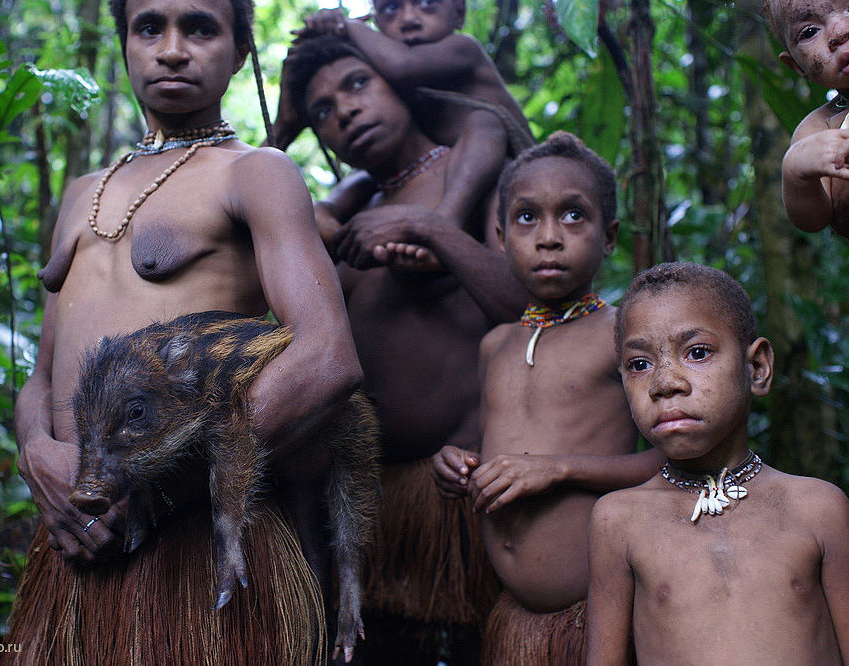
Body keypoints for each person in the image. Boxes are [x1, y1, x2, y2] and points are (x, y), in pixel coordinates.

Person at [0, 0, 361, 663]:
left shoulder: (255, 174)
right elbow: (43, 375)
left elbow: (327, 356)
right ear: (124, 44)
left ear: (238, 51)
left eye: (199, 28)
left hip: (195, 546)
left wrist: (165, 483)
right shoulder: (81, 192)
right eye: (149, 28)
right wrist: (37, 453)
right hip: (78, 547)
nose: (172, 48)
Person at [281, 34, 528, 661]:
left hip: (464, 498)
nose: (345, 111)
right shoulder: (351, 207)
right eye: (322, 111)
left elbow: (535, 312)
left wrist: (434, 230)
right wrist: (281, 130)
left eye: (358, 84)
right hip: (373, 513)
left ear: (399, 80)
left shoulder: (470, 172)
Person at [420, 132, 662, 663]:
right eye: (528, 218)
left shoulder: (622, 333)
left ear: (610, 236)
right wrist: (455, 463)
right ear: (501, 235)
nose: (549, 237)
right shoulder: (495, 346)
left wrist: (559, 469)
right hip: (515, 619)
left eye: (574, 216)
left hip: (599, 614)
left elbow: (674, 461)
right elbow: (488, 444)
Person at [587, 262, 849, 664]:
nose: (665, 383)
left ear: (757, 368)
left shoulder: (818, 508)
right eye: (640, 364)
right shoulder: (618, 520)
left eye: (697, 353)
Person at [274, 0, 531, 258]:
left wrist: (349, 25)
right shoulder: (402, 96)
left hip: (531, 172)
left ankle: (447, 221)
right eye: (391, 8)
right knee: (364, 180)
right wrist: (322, 212)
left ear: (459, 12)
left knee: (484, 122)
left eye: (427, 1)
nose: (409, 18)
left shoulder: (463, 50)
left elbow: (401, 65)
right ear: (379, 23)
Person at [765, 0, 849, 237]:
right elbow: (813, 220)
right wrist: (796, 171)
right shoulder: (819, 129)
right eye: (810, 31)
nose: (839, 31)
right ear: (797, 67)